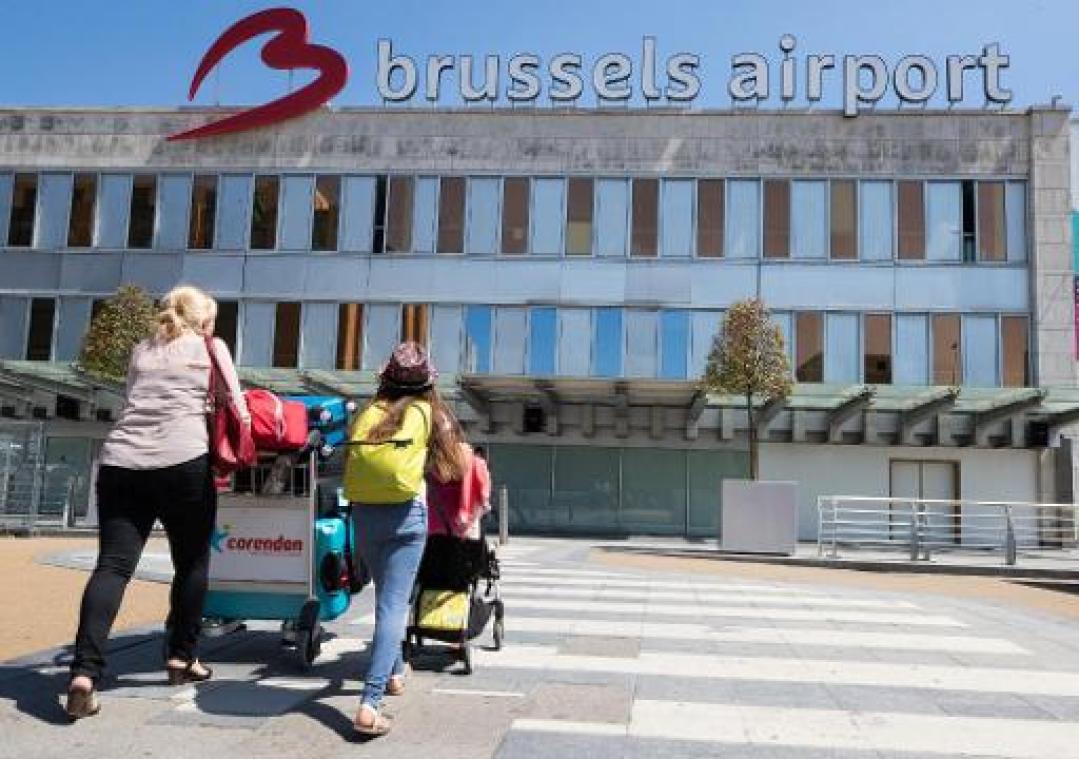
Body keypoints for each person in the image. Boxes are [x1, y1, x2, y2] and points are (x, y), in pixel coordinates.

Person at [65, 286, 249, 720]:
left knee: (112, 566)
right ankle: (181, 658)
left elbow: (133, 399)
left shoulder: (142, 349)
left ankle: (84, 673)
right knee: (191, 562)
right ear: (203, 319)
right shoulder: (211, 346)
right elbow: (237, 406)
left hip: (121, 462)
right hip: (184, 460)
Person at [344, 342, 465, 736]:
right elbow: (455, 469)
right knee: (394, 606)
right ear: (426, 382)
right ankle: (370, 703)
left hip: (363, 512)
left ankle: (394, 672)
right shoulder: (428, 412)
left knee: (384, 596)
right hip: (405, 515)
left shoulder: (369, 411)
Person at [427, 425, 491, 540]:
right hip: (464, 528)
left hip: (432, 527)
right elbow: (483, 499)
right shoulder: (477, 463)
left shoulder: (428, 463)